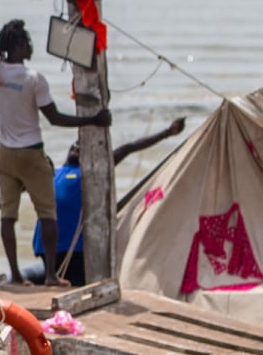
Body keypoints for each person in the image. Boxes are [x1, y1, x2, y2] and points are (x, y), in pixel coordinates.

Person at [0, 19, 112, 287]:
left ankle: (16, 275)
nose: (31, 46)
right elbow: (54, 118)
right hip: (31, 153)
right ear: (17, 45)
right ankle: (51, 275)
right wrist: (93, 119)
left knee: (7, 215)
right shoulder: (34, 79)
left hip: (5, 153)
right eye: (26, 41)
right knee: (47, 213)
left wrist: (7, 32)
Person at [37, 119, 186, 285]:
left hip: (75, 248)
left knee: (74, 284)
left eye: (81, 147)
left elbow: (129, 147)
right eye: (74, 146)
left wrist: (167, 133)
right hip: (47, 247)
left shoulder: (93, 171)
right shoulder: (53, 173)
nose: (76, 148)